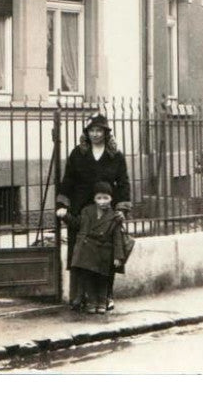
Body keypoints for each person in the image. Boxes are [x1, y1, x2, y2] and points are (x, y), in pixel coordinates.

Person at [55, 113, 132, 310]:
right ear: (86, 133)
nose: (95, 134)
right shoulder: (78, 154)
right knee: (80, 252)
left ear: (106, 133)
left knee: (105, 255)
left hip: (106, 211)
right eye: (92, 131)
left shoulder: (115, 156)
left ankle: (106, 296)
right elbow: (68, 180)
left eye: (99, 130)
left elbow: (123, 184)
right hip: (81, 209)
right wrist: (63, 205)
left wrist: (121, 209)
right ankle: (80, 297)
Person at [69, 181, 126, 314]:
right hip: (88, 250)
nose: (102, 201)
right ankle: (92, 302)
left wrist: (118, 256)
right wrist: (65, 216)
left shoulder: (115, 216)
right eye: (99, 198)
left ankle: (102, 302)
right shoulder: (87, 211)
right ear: (94, 199)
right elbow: (78, 224)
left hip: (104, 251)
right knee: (89, 278)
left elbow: (117, 238)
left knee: (103, 279)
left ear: (111, 199)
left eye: (106, 198)